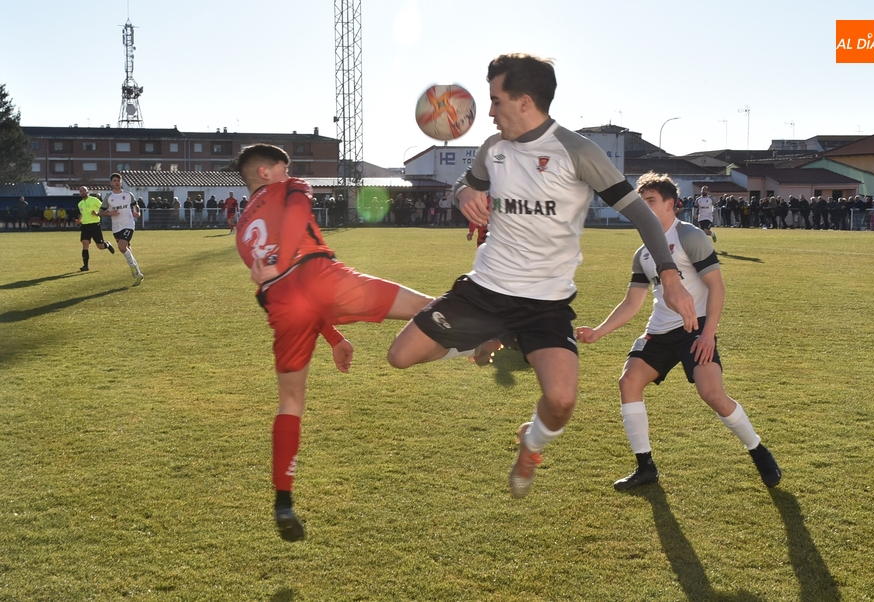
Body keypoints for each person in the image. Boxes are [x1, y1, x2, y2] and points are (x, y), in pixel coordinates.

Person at [385, 53, 697, 500]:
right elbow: (464, 185)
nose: (489, 112)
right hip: (485, 290)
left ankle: (529, 446)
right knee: (400, 356)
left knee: (562, 401)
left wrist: (669, 275)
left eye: (495, 100)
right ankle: (482, 339)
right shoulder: (493, 149)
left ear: (525, 101)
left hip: (545, 304)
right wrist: (464, 192)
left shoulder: (578, 152)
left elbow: (642, 215)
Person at [235, 144, 497, 542]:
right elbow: (296, 218)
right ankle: (493, 334)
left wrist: (333, 336)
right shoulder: (290, 187)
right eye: (284, 169)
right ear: (266, 172)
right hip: (322, 278)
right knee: (428, 308)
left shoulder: (242, 231)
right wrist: (283, 259)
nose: (289, 174)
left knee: (289, 403)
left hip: (285, 309)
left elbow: (278, 287)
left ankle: (283, 501)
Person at [576, 171, 781, 491]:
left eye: (651, 201)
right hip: (658, 331)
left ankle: (757, 450)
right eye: (641, 202)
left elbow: (717, 287)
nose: (643, 208)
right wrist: (599, 332)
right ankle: (645, 467)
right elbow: (632, 302)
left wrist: (708, 334)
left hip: (694, 329)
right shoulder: (643, 252)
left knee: (712, 395)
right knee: (628, 382)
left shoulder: (689, 236)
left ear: (671, 204)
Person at [100, 173, 144, 285]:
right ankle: (138, 274)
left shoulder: (128, 194)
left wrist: (137, 212)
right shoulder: (108, 197)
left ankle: (134, 268)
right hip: (116, 227)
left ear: (121, 182)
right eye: (114, 180)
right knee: (127, 249)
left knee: (121, 246)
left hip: (128, 224)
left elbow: (135, 205)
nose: (116, 182)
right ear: (111, 183)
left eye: (118, 180)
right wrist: (110, 213)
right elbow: (101, 212)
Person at [75, 186, 115, 270]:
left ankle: (107, 245)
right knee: (85, 244)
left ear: (87, 191)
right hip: (85, 226)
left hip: (95, 225)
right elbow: (82, 214)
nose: (82, 192)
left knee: (100, 246)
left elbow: (104, 209)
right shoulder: (80, 204)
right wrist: (79, 221)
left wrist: (97, 213)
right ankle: (85, 266)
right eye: (81, 191)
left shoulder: (94, 200)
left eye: (84, 190)